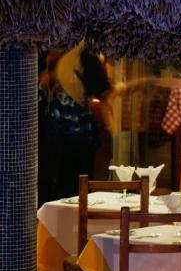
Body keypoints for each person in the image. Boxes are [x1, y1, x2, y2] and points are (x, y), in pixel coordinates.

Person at [37, 42, 128, 204]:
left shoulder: (45, 52)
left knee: (50, 191)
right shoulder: (86, 55)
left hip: (48, 133)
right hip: (78, 137)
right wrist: (123, 87)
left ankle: (46, 219)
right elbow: (104, 92)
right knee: (75, 194)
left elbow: (41, 85)